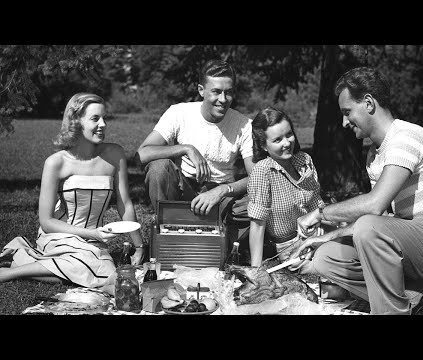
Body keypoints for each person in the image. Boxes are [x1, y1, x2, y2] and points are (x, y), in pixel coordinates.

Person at [289, 67, 423, 315]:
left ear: (368, 103)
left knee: (368, 226)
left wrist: (321, 214)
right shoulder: (374, 156)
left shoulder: (406, 137)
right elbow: (381, 220)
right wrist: (326, 237)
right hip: (412, 241)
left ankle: (392, 311)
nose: (344, 122)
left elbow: (374, 207)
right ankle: (414, 296)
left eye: (347, 112)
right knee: (326, 258)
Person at [0, 93, 145, 288]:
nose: (103, 124)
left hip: (94, 241)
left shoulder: (115, 154)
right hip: (60, 235)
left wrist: (139, 246)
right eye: (95, 119)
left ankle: (25, 262)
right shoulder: (55, 163)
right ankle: (10, 273)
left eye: (104, 118)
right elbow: (46, 221)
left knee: (93, 266)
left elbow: (124, 203)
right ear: (76, 121)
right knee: (104, 271)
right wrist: (92, 234)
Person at [136, 59, 254, 250]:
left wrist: (222, 190)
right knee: (159, 168)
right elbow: (141, 154)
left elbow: (258, 176)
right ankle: (168, 232)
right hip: (183, 191)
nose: (223, 99)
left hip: (221, 198)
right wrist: (185, 148)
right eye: (216, 91)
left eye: (229, 92)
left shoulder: (245, 125)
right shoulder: (179, 113)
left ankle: (223, 244)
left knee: (259, 199)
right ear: (201, 90)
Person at [247, 106, 325, 267]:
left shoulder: (304, 160)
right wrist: (256, 269)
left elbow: (316, 201)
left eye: (289, 134)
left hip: (317, 235)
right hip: (288, 248)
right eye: (277, 140)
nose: (286, 143)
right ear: (263, 145)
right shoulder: (263, 171)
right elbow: (257, 224)